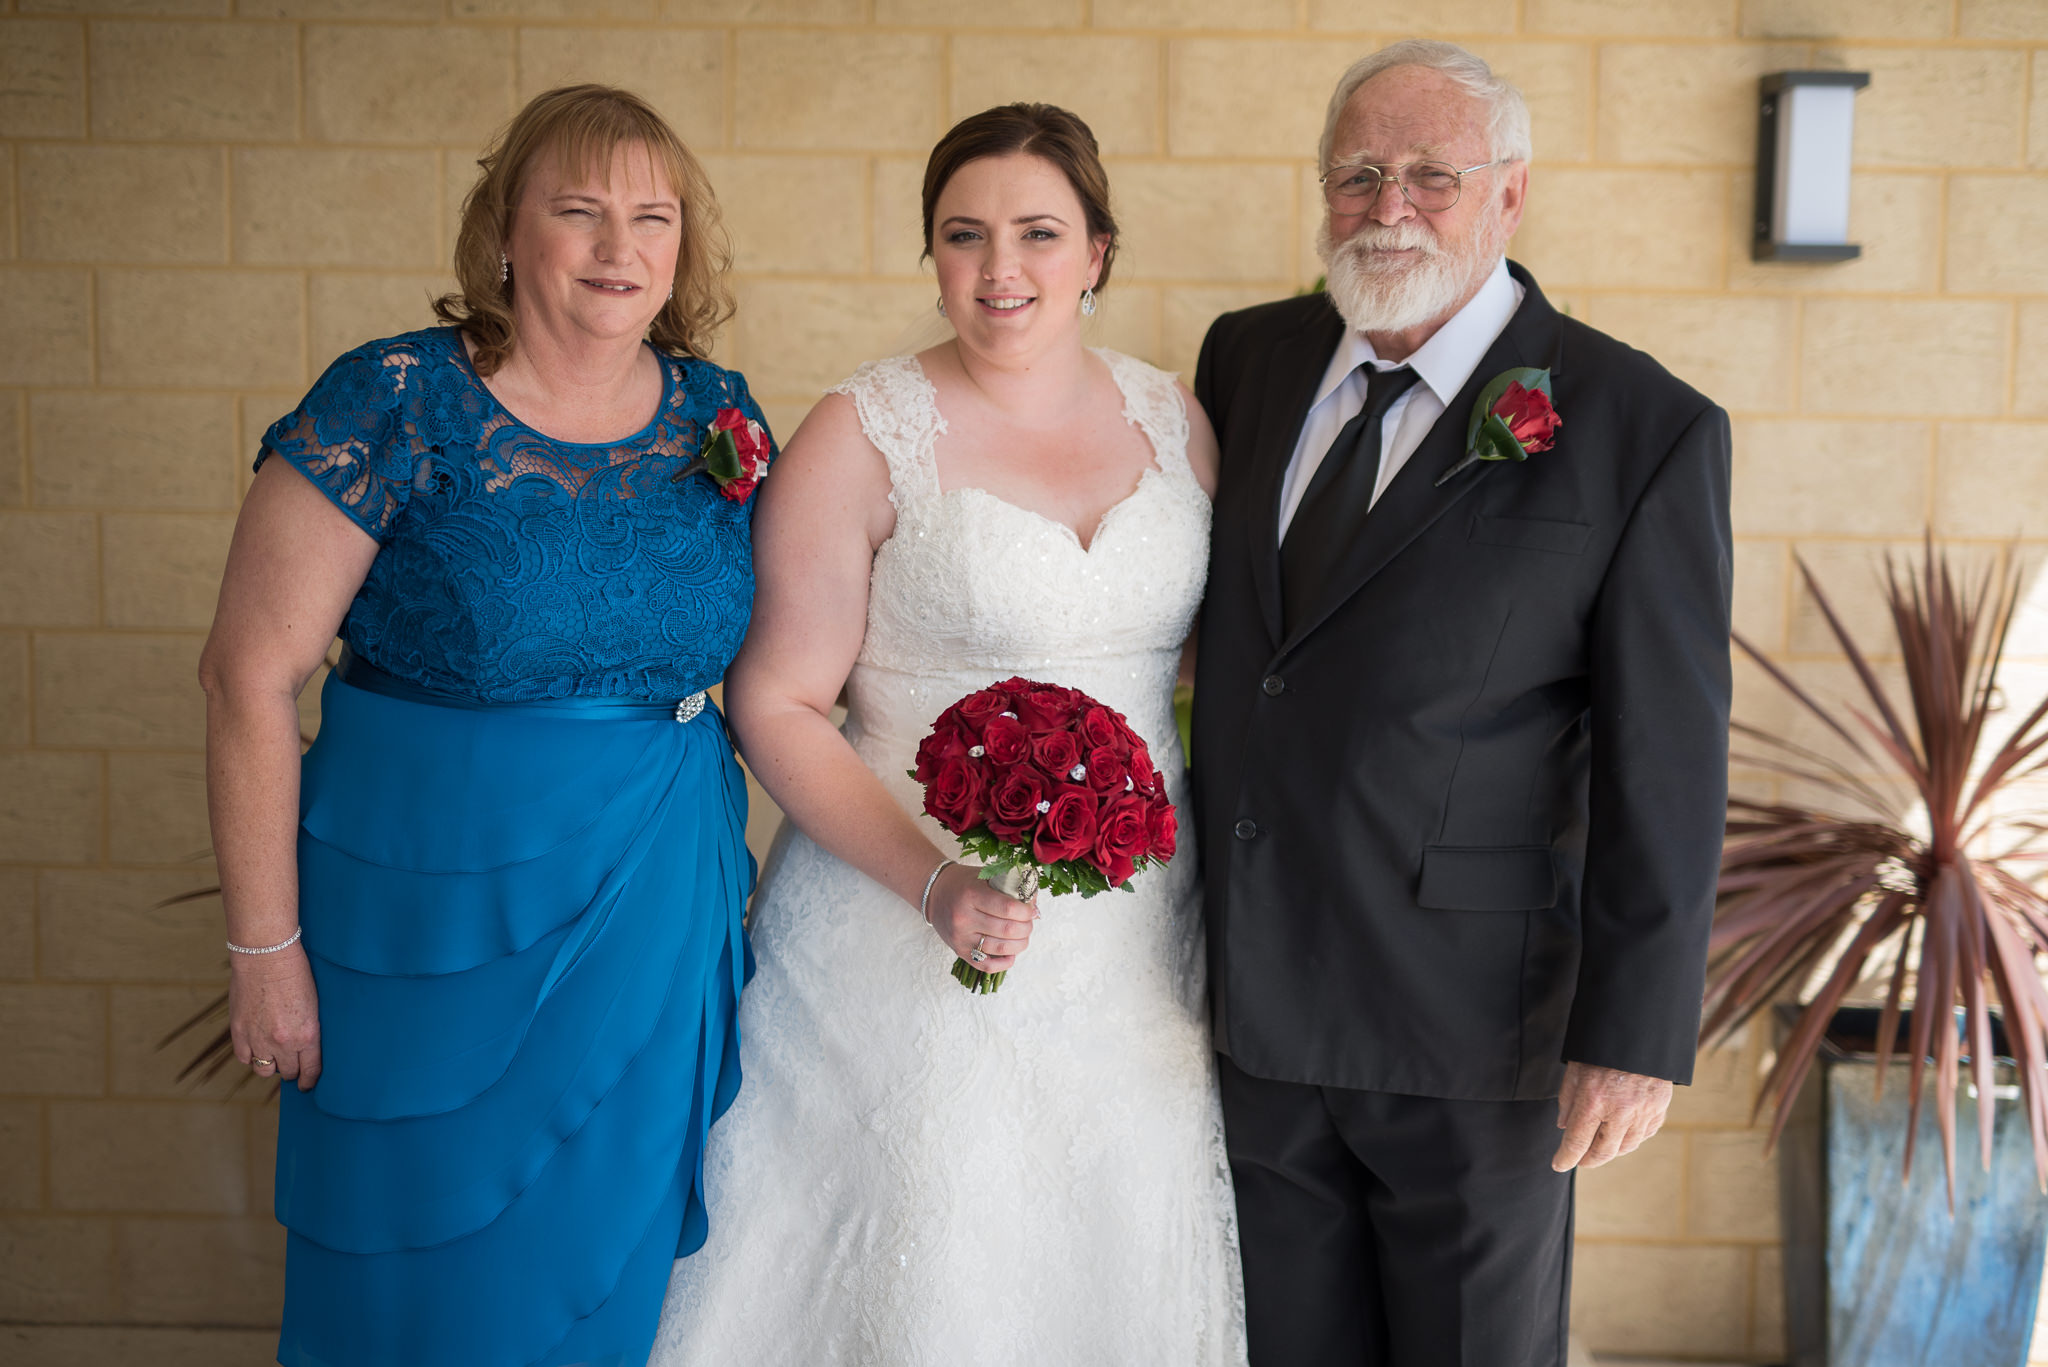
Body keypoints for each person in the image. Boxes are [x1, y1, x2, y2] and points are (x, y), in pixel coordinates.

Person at [653, 104, 1247, 1366]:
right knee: (931, 1232)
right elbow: (773, 700)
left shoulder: (1176, 420)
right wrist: (933, 881)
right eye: (962, 235)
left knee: (1109, 1241)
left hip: (1133, 935)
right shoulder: (860, 434)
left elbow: (1204, 658)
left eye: (1037, 232)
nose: (999, 269)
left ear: (1096, 250)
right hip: (895, 919)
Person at [198, 84, 770, 1367]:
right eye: (578, 212)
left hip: (650, 911)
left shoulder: (718, 414)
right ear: (505, 232)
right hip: (421, 923)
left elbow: (786, 658)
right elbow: (245, 675)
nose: (619, 248)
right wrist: (263, 947)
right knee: (415, 1268)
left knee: (602, 1277)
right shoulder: (392, 397)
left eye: (650, 216)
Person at [1191, 40, 1732, 1367]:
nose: (1390, 207)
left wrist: (1636, 1035)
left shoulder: (1638, 422)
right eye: (1360, 172)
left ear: (1511, 194)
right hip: (1250, 1000)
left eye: (1433, 174)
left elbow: (1669, 756)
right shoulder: (1246, 361)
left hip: (1477, 1029)